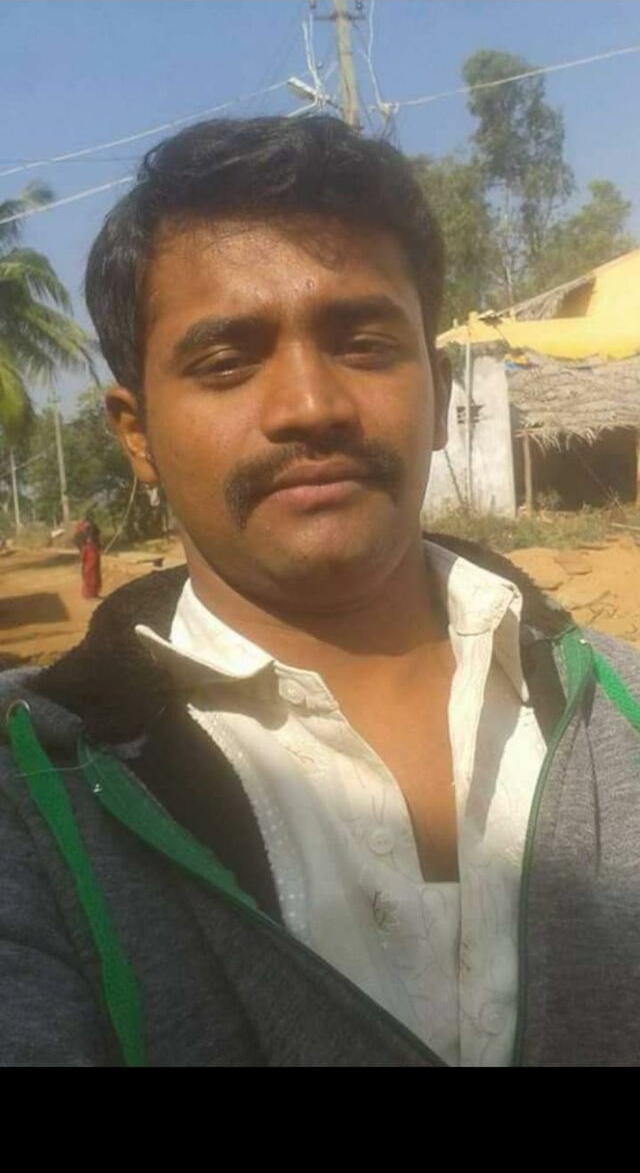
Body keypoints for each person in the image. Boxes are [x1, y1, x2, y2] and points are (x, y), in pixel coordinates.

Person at [1, 114, 640, 1068]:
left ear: (437, 390)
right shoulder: (34, 802)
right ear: (136, 435)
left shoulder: (622, 709)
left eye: (364, 344)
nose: (311, 406)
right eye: (226, 362)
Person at [73, 514, 102, 599]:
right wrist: (84, 546)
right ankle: (89, 593)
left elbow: (76, 540)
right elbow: (76, 539)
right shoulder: (86, 528)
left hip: (90, 551)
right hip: (90, 551)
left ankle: (93, 593)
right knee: (90, 572)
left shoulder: (86, 527)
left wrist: (82, 548)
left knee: (92, 572)